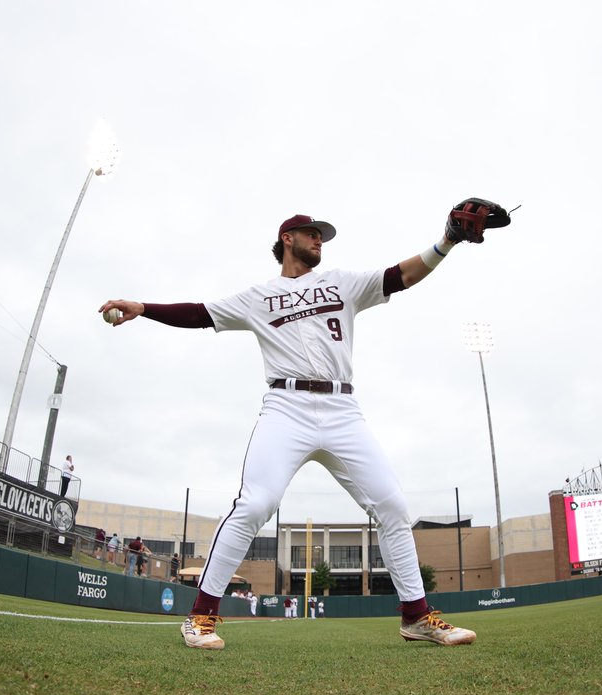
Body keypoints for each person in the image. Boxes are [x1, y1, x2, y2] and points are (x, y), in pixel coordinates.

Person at [99, 203, 506, 650]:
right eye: (312, 234)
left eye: (322, 237)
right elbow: (199, 312)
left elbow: (400, 276)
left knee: (391, 505)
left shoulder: (342, 282)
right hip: (286, 407)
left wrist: (446, 241)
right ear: (288, 240)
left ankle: (417, 617)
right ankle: (200, 616)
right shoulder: (259, 296)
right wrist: (142, 306)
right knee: (256, 505)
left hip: (342, 409)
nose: (320, 241)